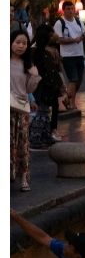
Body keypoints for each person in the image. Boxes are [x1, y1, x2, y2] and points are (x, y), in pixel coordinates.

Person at [11, 30, 39, 191]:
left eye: (24, 43)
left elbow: (29, 88)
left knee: (22, 143)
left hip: (21, 108)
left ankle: (24, 178)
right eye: (17, 42)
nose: (20, 46)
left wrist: (34, 77)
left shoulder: (28, 65)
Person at [53, 1, 85, 114]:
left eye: (72, 8)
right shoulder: (59, 23)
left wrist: (82, 37)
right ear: (63, 10)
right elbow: (58, 39)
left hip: (79, 54)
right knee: (73, 79)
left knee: (79, 80)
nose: (71, 11)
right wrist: (73, 40)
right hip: (67, 55)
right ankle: (71, 102)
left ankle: (68, 99)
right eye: (68, 9)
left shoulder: (78, 21)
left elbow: (83, 34)